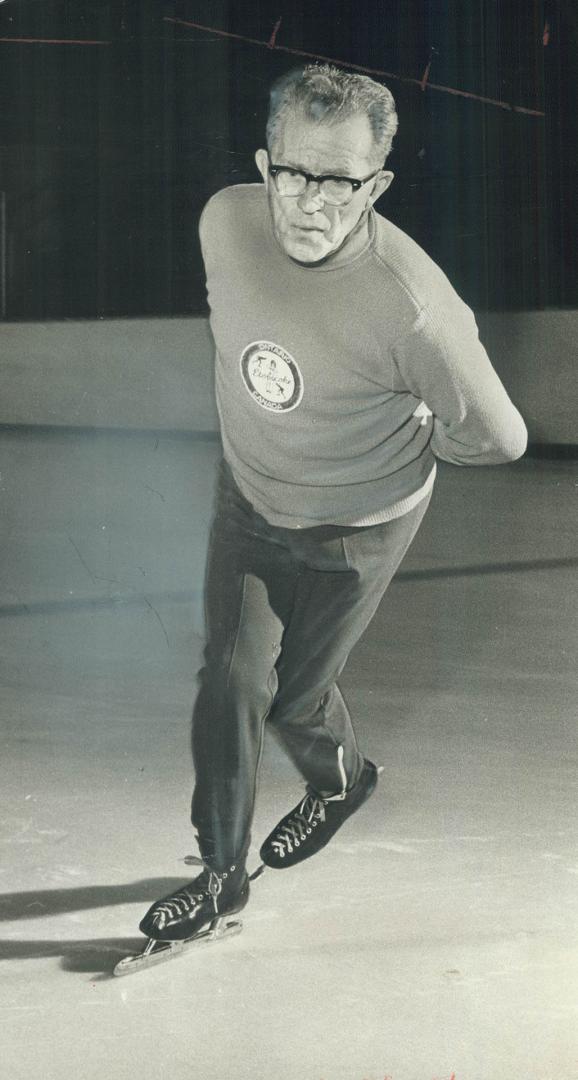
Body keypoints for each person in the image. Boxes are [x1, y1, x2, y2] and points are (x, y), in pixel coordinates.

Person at [139, 64, 527, 944]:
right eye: (293, 172)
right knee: (230, 681)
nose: (310, 202)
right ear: (264, 162)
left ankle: (342, 780)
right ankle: (220, 877)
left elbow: (501, 438)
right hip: (248, 497)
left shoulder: (413, 308)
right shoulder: (223, 222)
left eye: (340, 181)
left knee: (293, 701)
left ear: (376, 184)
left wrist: (410, 437)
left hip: (361, 526)